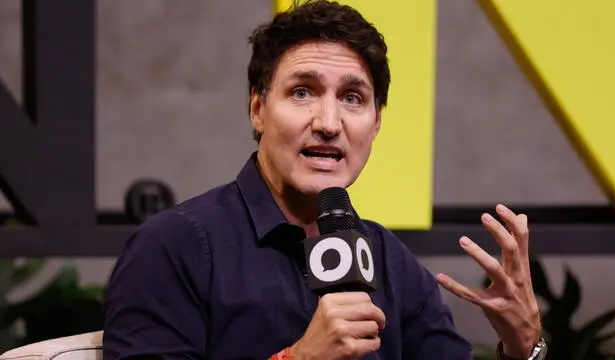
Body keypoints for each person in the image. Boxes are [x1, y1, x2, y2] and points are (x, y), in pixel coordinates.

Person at [102, 1, 543, 359]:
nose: (329, 123)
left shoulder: (388, 259)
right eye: (302, 92)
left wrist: (523, 351)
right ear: (257, 109)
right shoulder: (176, 246)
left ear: (374, 126)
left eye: (352, 98)